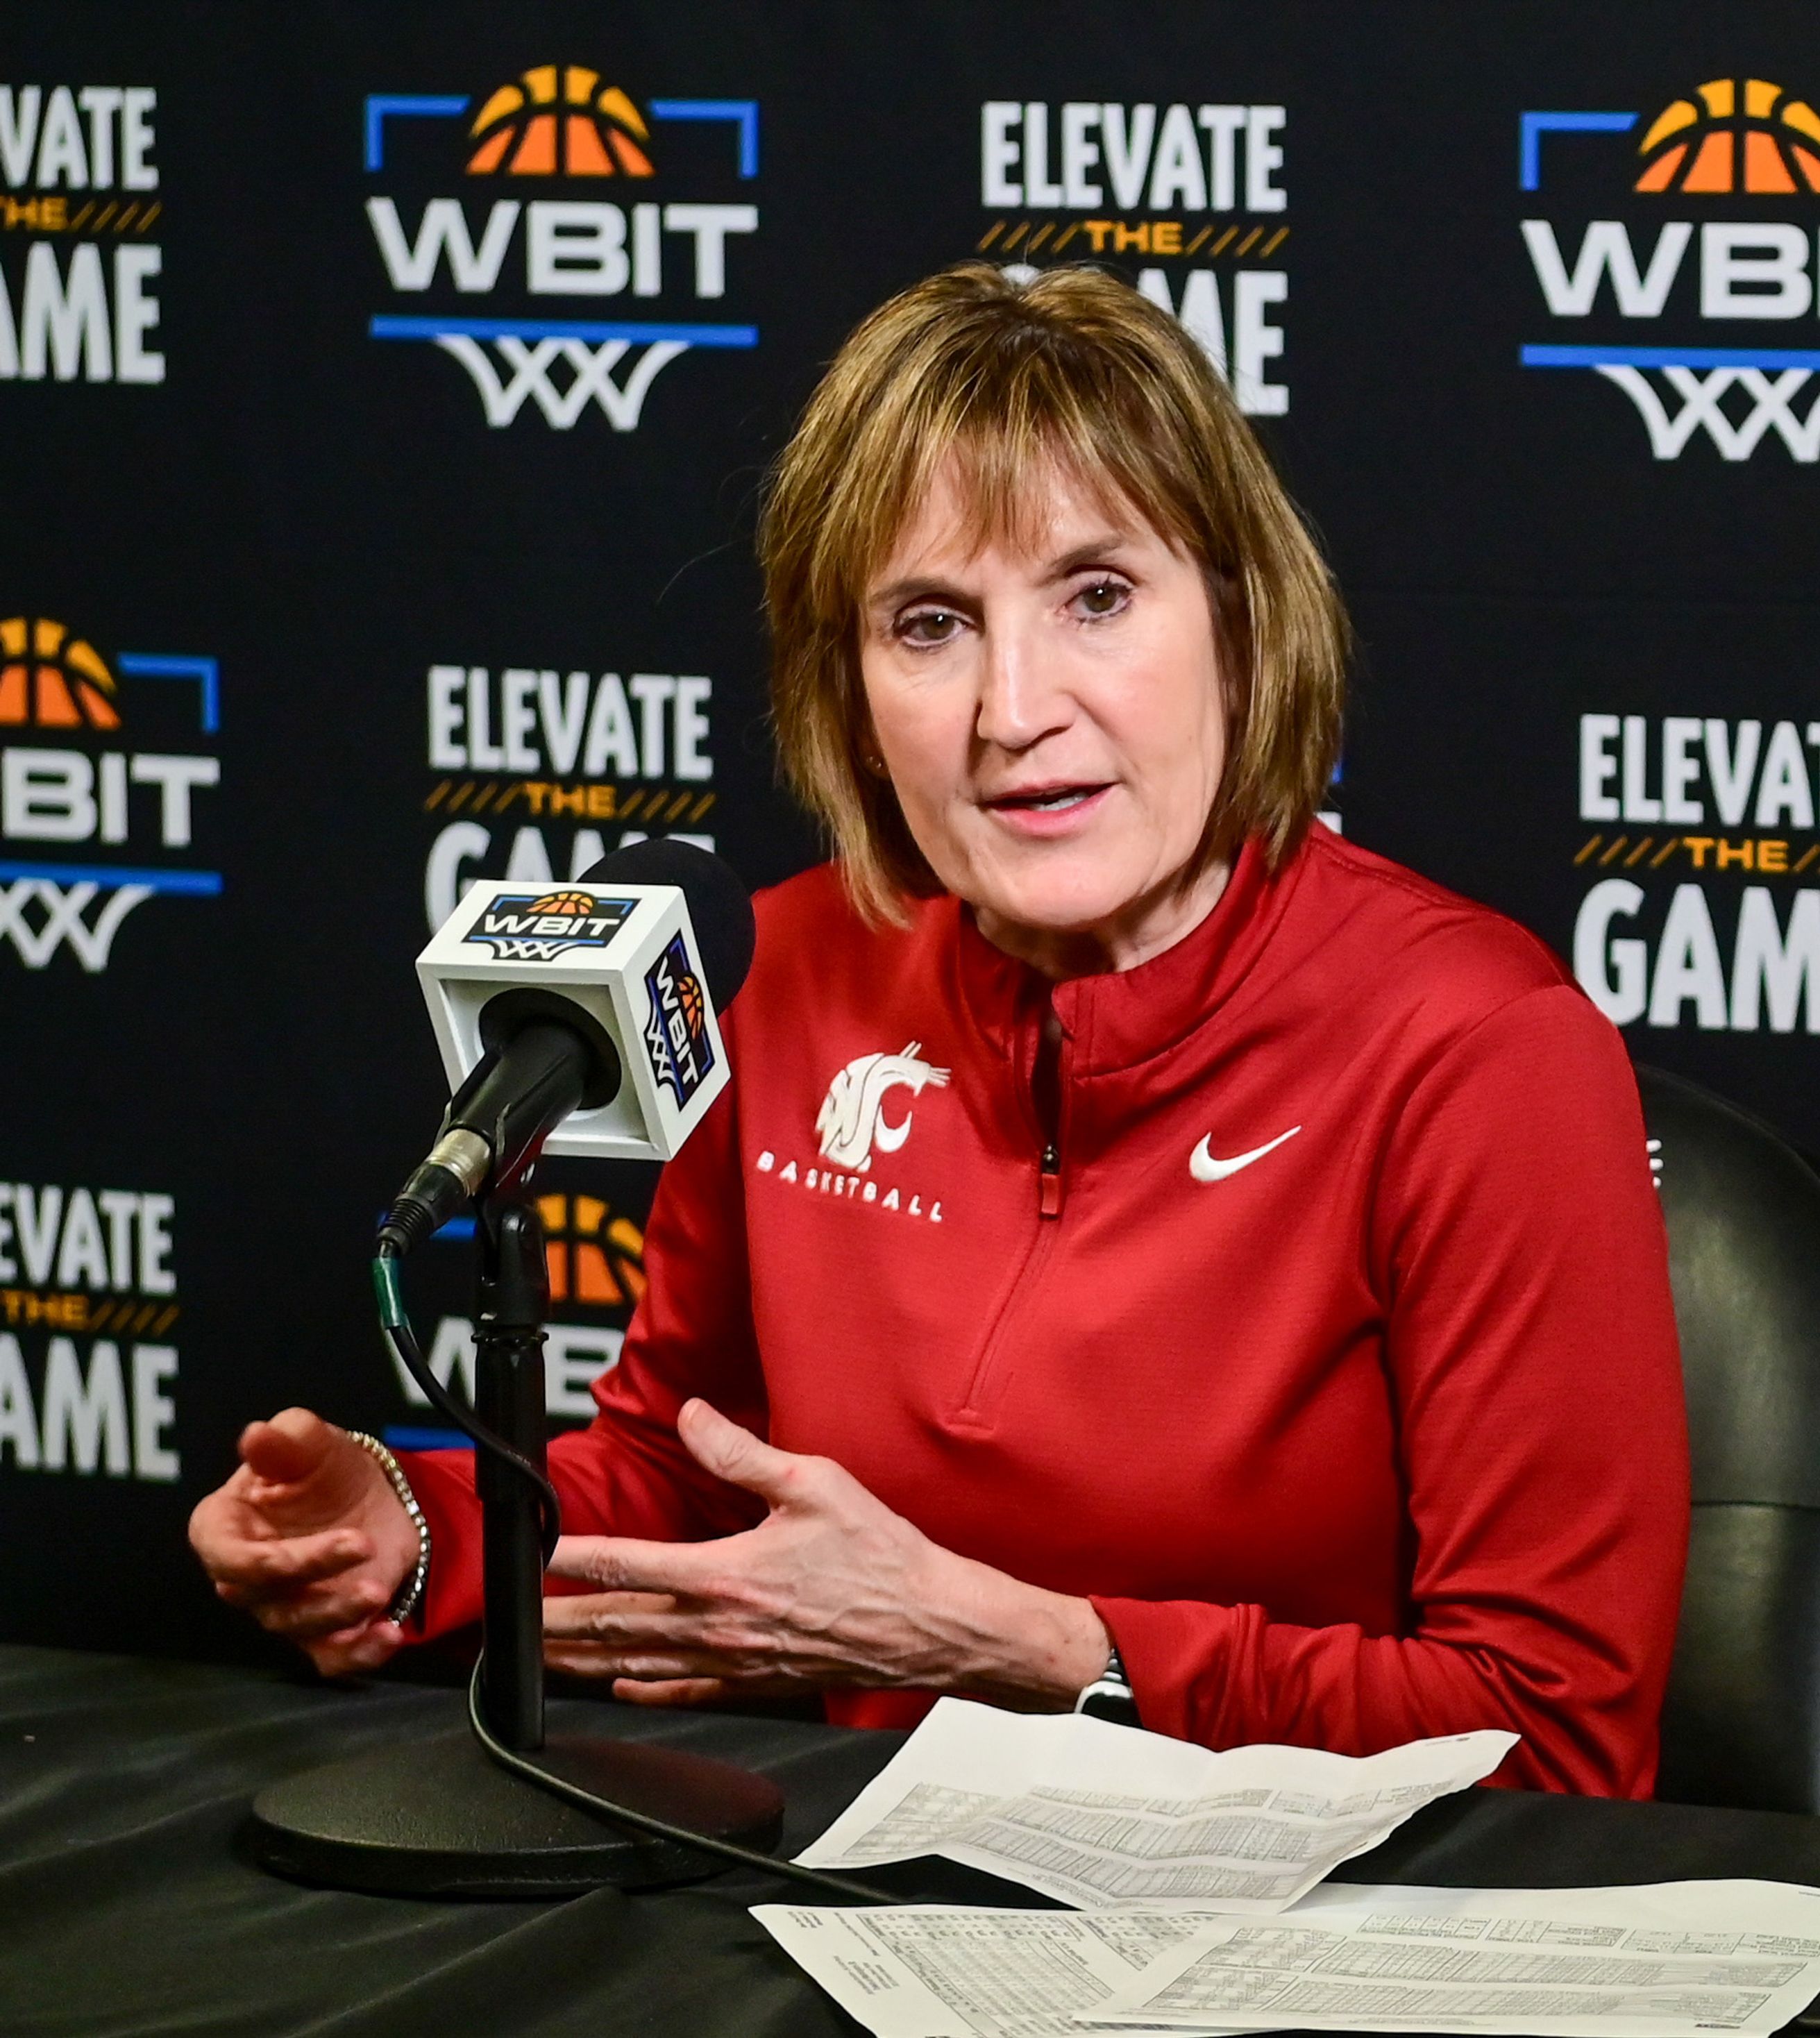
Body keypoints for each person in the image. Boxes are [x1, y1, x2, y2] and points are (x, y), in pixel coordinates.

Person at [187, 265, 1690, 1794]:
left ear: (1240, 623)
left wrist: (1031, 1648)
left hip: (1319, 1950)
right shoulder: (775, 969)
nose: (1013, 707)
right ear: (847, 690)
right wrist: (415, 1527)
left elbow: (1557, 1737)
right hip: (884, 1922)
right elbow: (683, 1480)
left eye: (1096, 594)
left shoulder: (1482, 1046)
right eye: (930, 625)